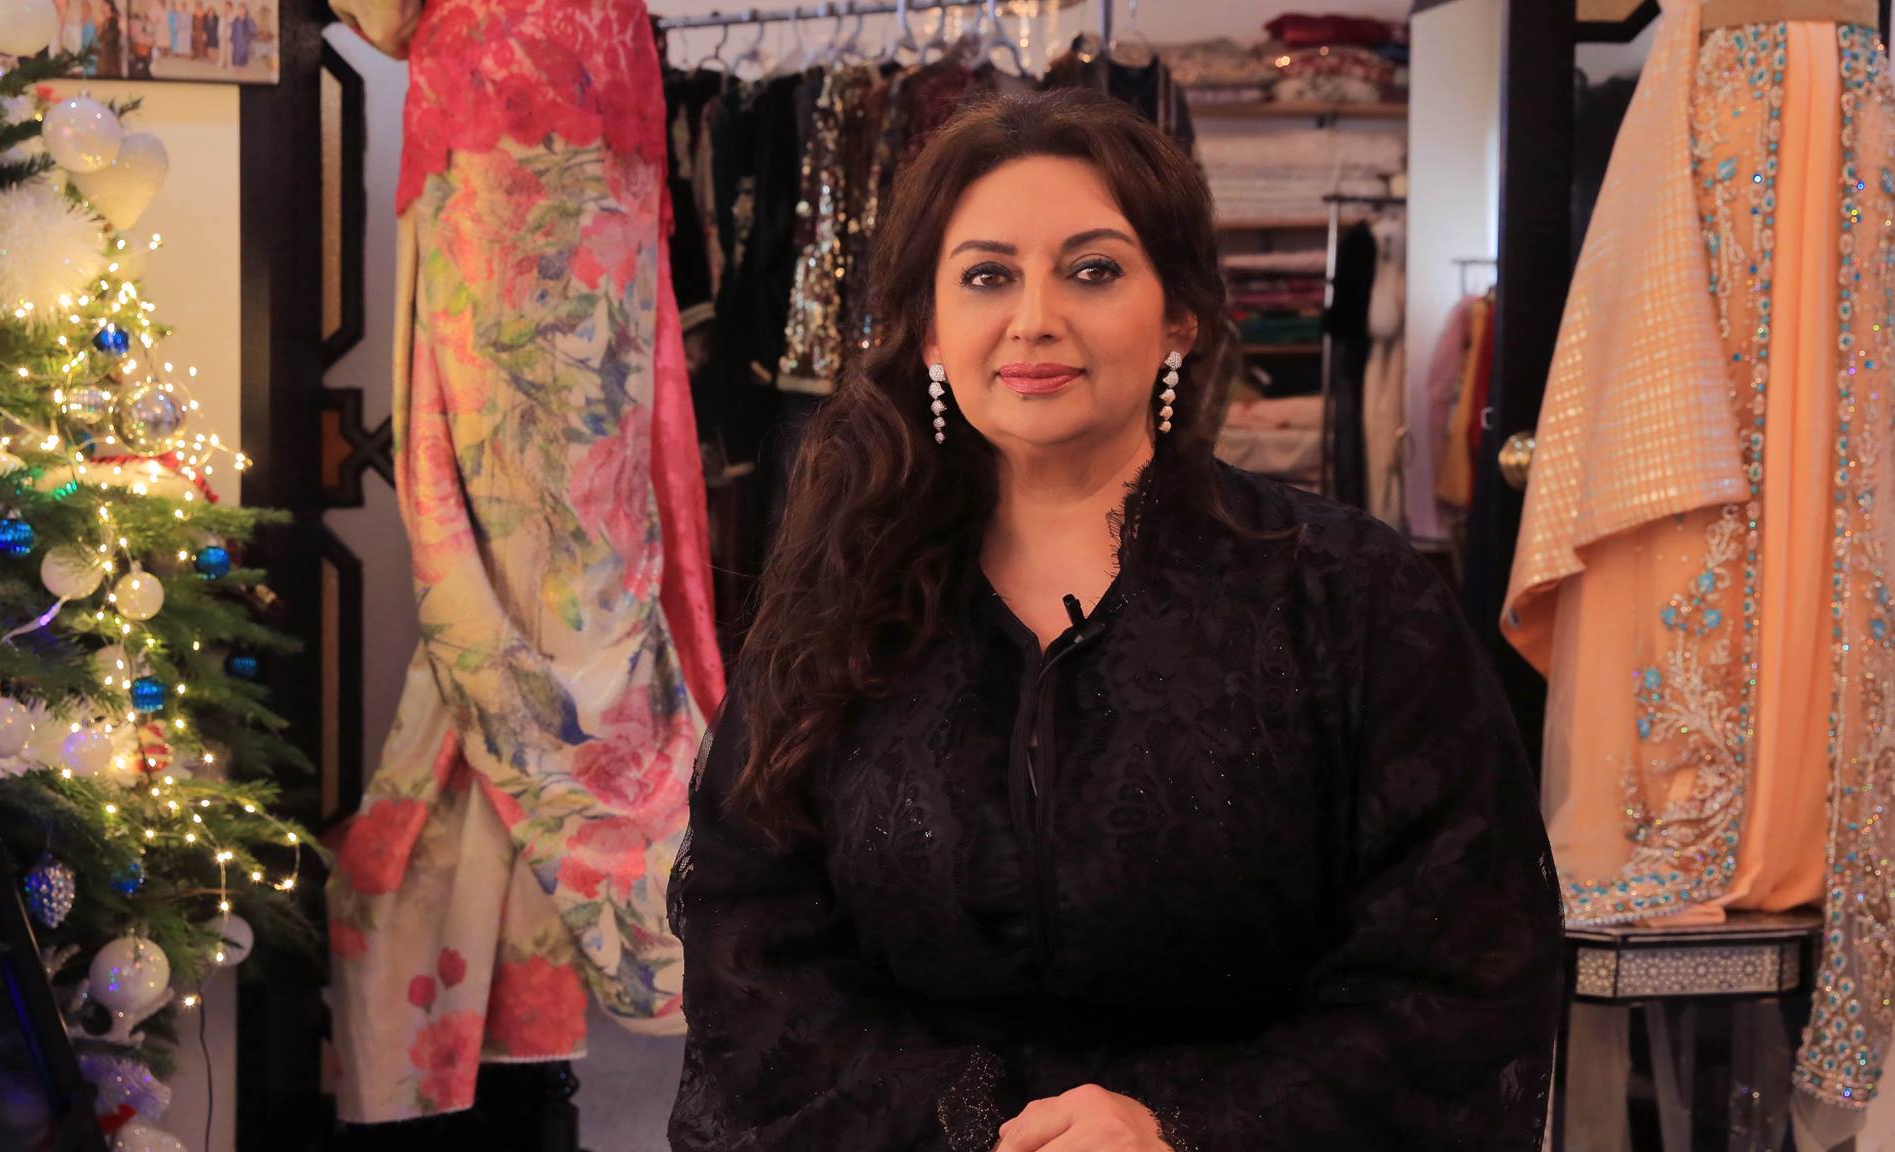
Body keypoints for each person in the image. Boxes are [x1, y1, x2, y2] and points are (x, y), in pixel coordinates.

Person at [668, 88, 1564, 1152]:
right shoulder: (840, 601)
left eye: (1092, 270)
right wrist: (974, 1125)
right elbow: (751, 943)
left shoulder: (1347, 594)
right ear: (930, 333)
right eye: (987, 275)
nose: (1035, 317)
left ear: (1179, 314)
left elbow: (1462, 961)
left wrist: (1176, 1129)